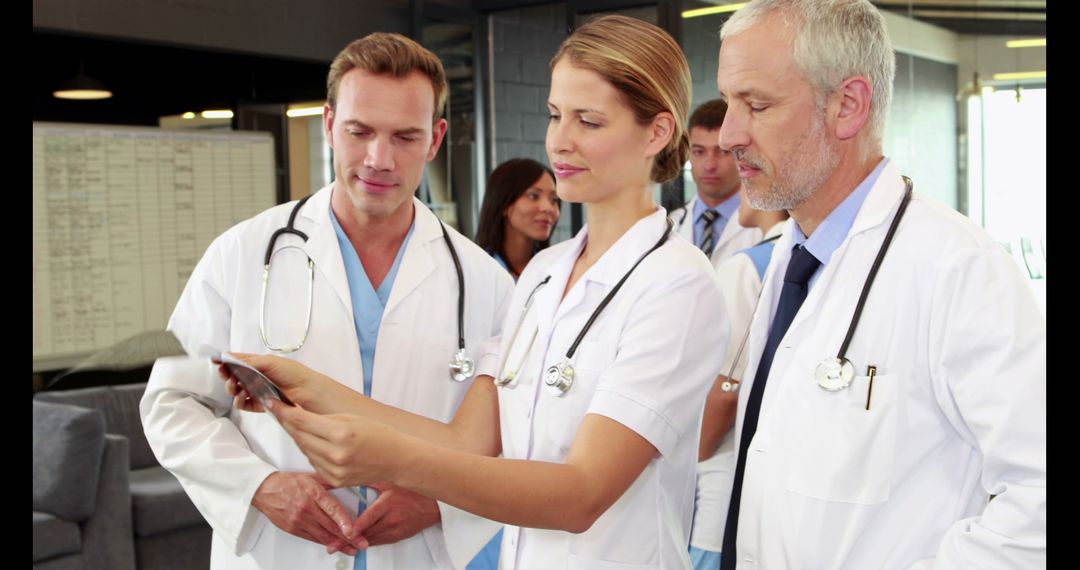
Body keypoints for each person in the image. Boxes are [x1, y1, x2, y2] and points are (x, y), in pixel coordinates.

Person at [223, 15, 729, 570]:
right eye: (555, 115)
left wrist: (390, 459)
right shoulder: (543, 274)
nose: (560, 141)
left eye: (588, 121)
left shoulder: (678, 284)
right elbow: (468, 442)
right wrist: (311, 389)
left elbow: (581, 495)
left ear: (656, 132)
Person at [139, 32, 514, 570]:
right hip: (280, 553)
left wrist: (443, 501)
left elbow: (518, 438)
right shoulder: (241, 255)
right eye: (360, 131)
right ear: (329, 125)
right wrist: (259, 486)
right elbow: (172, 403)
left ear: (435, 140)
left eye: (405, 137)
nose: (378, 159)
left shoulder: (486, 283)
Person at [713, 1, 1046, 568]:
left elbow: (1037, 503)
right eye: (727, 104)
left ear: (847, 107)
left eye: (756, 105)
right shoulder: (790, 263)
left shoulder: (959, 269)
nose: (727, 135)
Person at [690, 195, 788, 570]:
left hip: (722, 466)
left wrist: (693, 454)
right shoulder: (818, 259)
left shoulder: (747, 267)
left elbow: (726, 391)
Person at [670, 99, 761, 266]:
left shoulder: (763, 227)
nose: (709, 165)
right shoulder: (671, 224)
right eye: (699, 151)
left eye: (722, 152)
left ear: (740, 153)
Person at [475, 158, 561, 280]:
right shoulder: (476, 270)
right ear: (504, 204)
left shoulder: (560, 269)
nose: (549, 208)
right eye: (533, 196)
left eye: (554, 200)